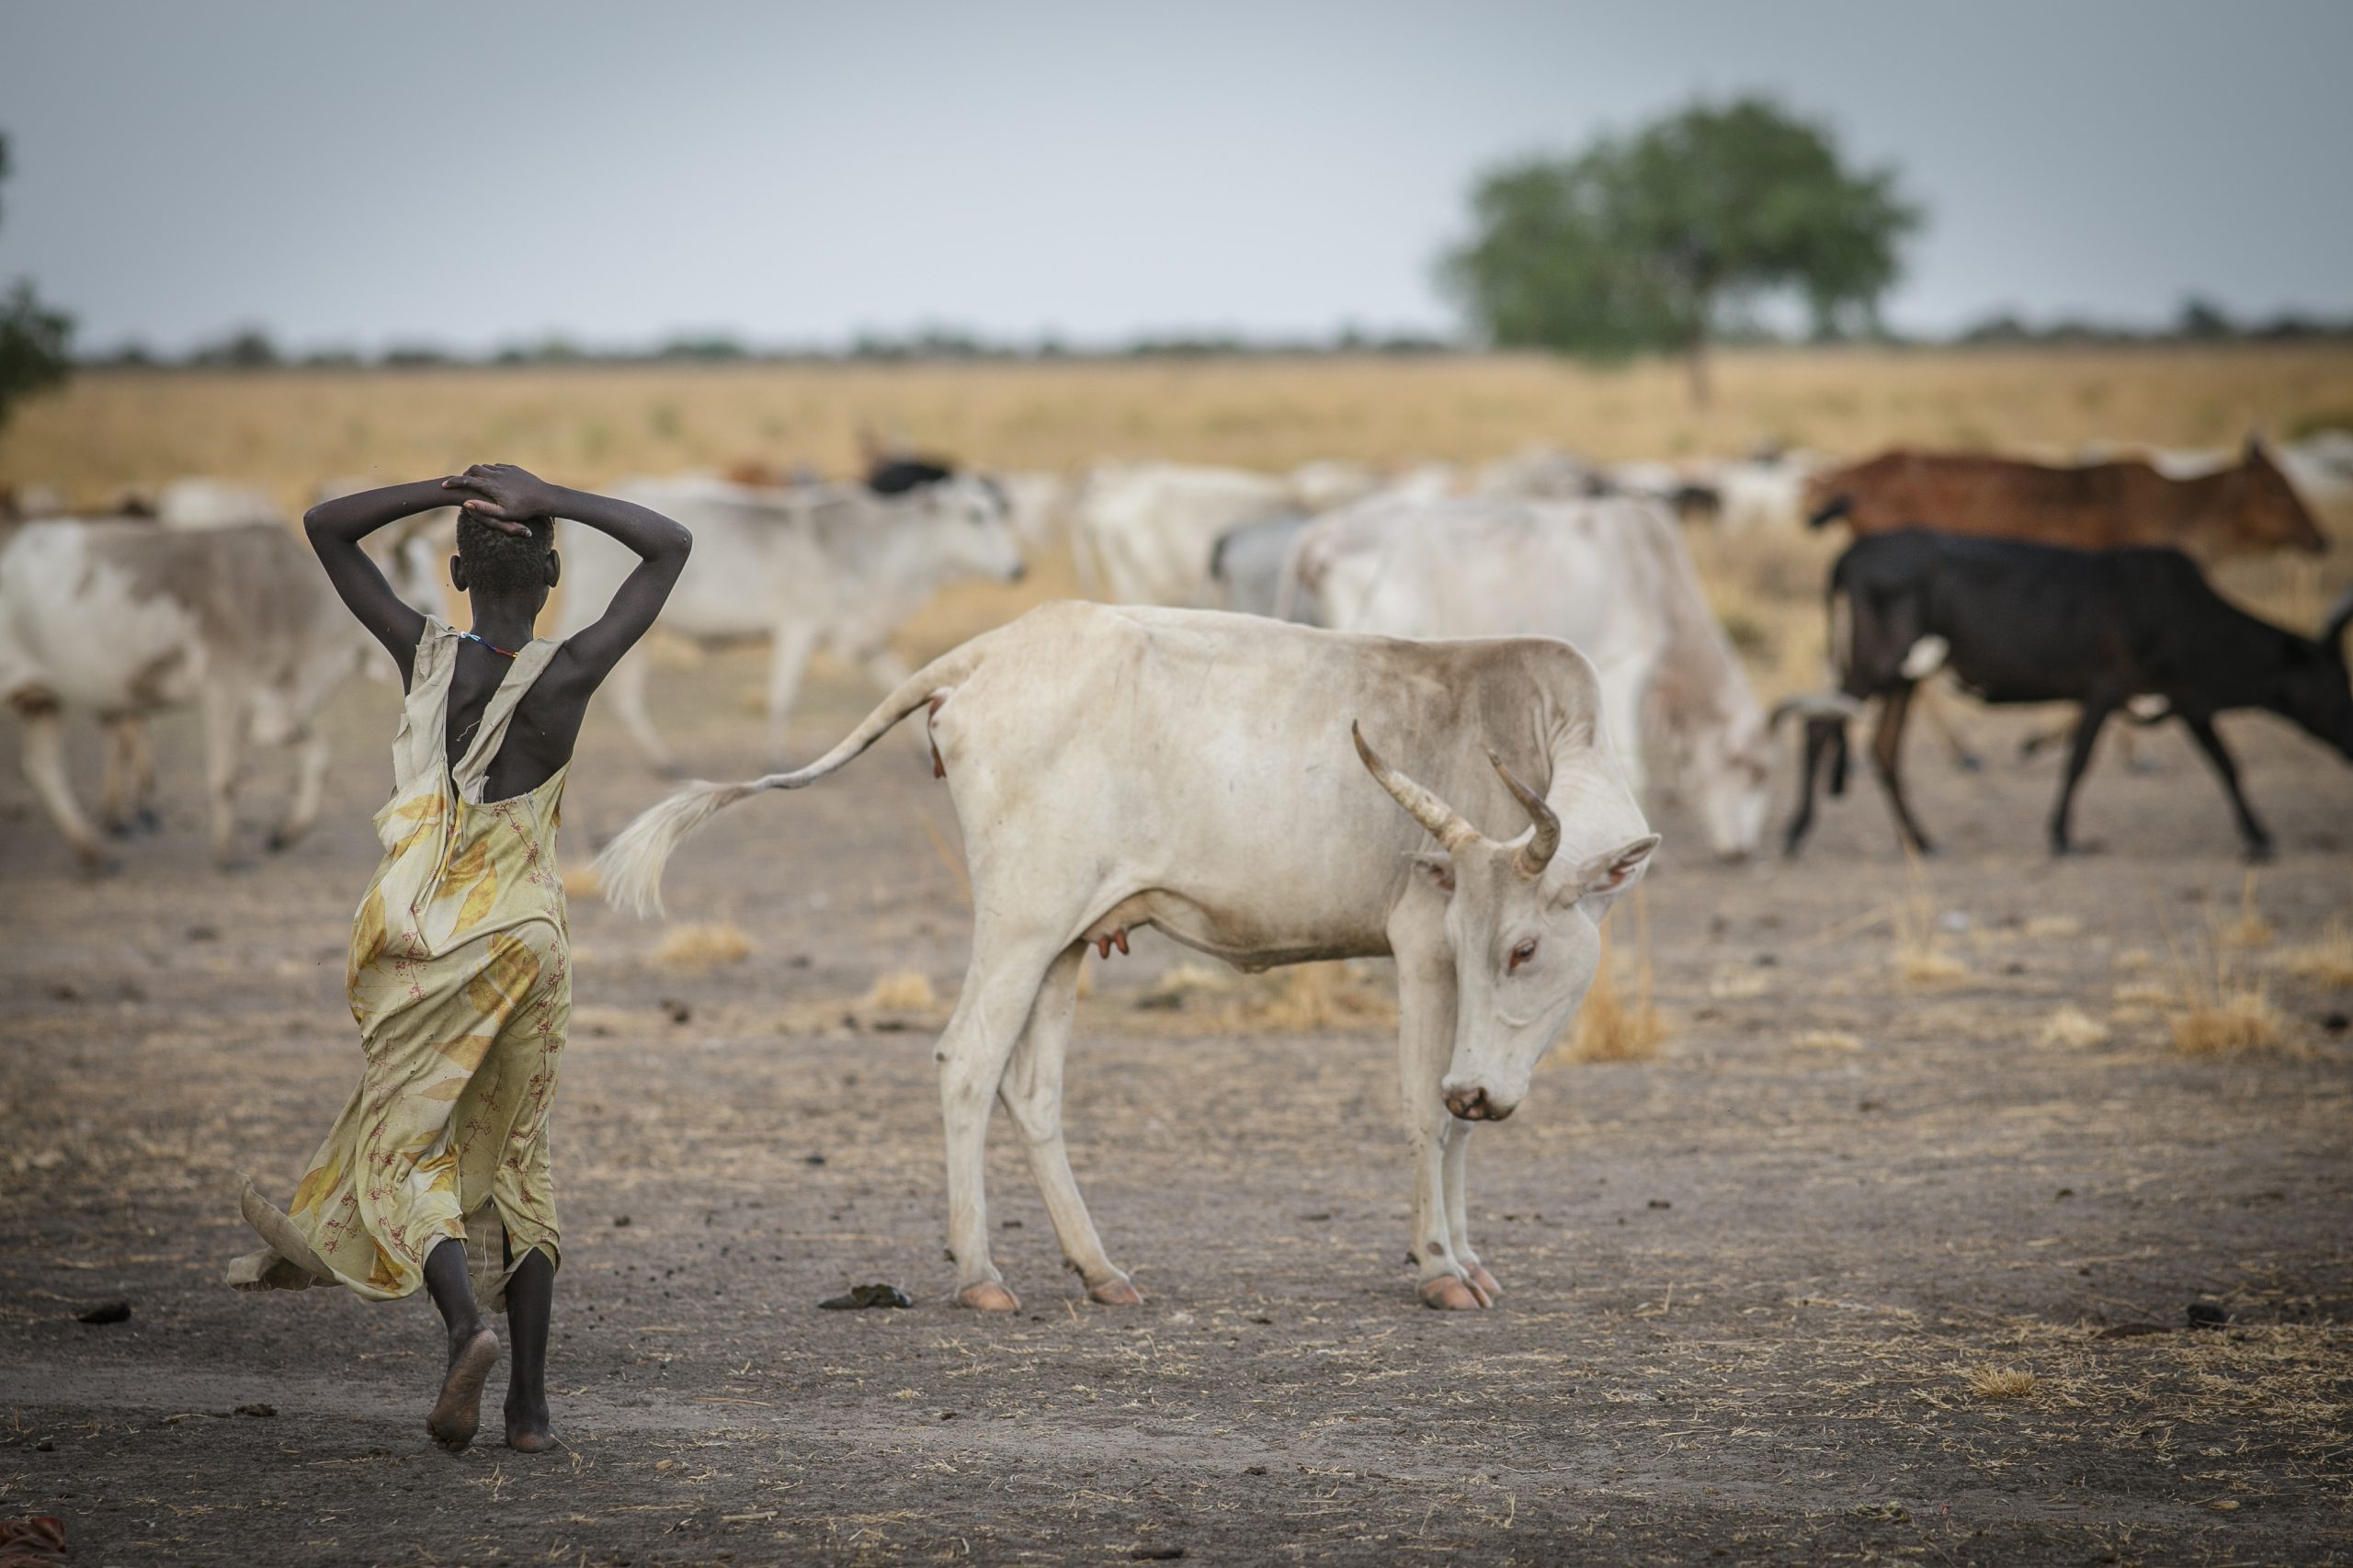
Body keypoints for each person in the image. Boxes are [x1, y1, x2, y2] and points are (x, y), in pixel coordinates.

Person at [227, 463, 690, 1454]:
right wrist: (548, 494)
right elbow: (669, 546)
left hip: (427, 941)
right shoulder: (568, 672)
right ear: (555, 572)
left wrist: (447, 483)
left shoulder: (425, 652)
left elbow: (323, 523)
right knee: (519, 1158)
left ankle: (463, 1329)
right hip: (531, 937)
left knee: (402, 1145)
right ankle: (529, 1409)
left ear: (453, 570)